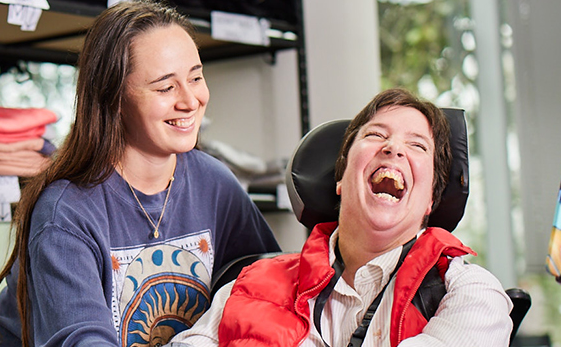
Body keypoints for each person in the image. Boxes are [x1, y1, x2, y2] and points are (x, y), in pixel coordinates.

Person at [0, 0, 281, 346]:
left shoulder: (215, 184)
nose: (190, 100)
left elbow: (270, 292)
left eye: (196, 77)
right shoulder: (66, 214)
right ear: (114, 97)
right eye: (165, 87)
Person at [170, 89, 512, 347]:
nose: (393, 148)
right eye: (376, 134)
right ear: (341, 177)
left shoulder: (471, 294)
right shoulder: (248, 286)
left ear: (431, 200)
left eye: (418, 146)